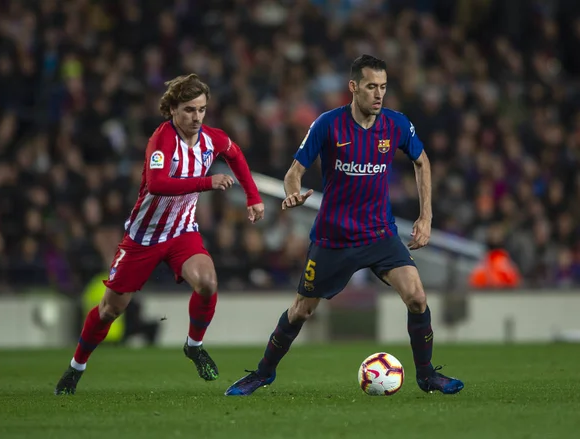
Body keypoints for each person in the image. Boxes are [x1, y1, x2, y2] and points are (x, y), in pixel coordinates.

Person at [225, 55, 464, 396]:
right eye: (371, 87)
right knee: (301, 310)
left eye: (383, 87)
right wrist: (293, 195)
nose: (378, 94)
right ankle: (263, 373)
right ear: (353, 87)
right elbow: (294, 173)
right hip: (334, 237)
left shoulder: (395, 125)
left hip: (380, 233)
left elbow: (422, 162)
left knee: (416, 296)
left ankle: (426, 375)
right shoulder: (327, 124)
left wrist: (425, 217)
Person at [55, 74, 265, 395]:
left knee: (208, 283)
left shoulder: (213, 138)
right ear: (173, 111)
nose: (196, 117)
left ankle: (194, 346)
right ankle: (75, 368)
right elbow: (157, 184)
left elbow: (235, 154)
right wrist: (207, 182)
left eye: (202, 110)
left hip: (182, 232)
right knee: (111, 309)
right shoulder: (162, 140)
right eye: (189, 110)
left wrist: (253, 197)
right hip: (143, 238)